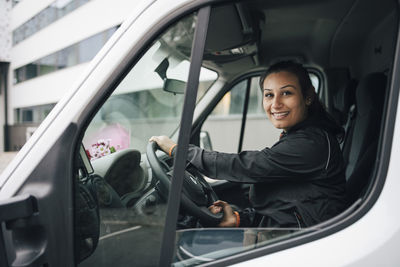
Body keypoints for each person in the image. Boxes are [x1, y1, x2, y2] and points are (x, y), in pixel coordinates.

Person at [150, 60, 346, 228]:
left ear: (308, 96)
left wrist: (178, 151)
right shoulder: (299, 136)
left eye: (286, 93)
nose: (275, 104)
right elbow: (284, 207)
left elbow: (246, 165)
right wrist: (237, 218)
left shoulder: (312, 143)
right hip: (283, 234)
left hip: (307, 246)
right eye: (269, 95)